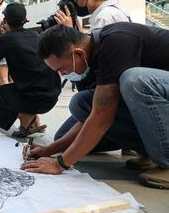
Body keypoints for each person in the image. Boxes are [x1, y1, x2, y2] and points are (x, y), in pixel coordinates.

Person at [23, 23, 169, 189]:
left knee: (135, 80)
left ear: (78, 54)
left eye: (62, 69)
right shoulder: (92, 57)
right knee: (81, 103)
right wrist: (48, 150)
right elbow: (92, 114)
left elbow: (102, 114)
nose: (62, 75)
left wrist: (60, 164)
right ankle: (150, 151)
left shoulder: (117, 41)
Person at [53, 0, 134, 155]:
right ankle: (131, 139)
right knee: (66, 136)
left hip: (115, 97)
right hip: (122, 94)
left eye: (74, 0)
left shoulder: (104, 17)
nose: (73, 6)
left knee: (70, 124)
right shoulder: (116, 11)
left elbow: (93, 64)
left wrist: (68, 33)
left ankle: (135, 140)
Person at [0, 3, 61, 137]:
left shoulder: (5, 40)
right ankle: (33, 118)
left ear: (4, 21)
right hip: (52, 96)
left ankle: (24, 117)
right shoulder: (37, 35)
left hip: (32, 97)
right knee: (21, 86)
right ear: (26, 19)